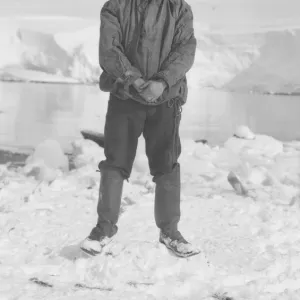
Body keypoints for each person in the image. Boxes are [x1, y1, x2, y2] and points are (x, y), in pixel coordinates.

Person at [81, 0, 199, 258]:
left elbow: (185, 51)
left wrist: (162, 81)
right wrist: (133, 79)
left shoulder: (178, 8)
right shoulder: (115, 6)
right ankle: (103, 230)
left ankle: (170, 232)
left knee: (166, 164)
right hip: (125, 96)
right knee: (115, 162)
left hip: (166, 99)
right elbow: (109, 50)